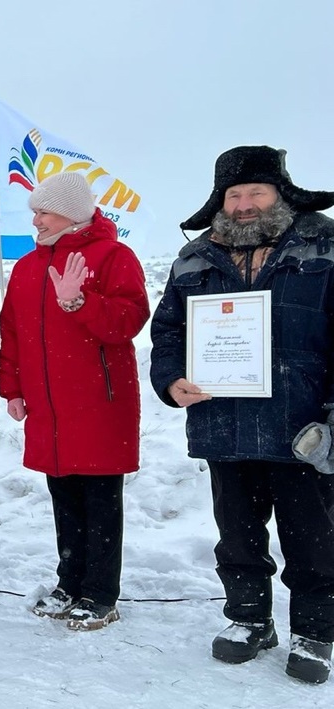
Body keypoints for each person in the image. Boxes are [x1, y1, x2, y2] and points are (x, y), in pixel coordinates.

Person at [150, 146, 334, 684]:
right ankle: (249, 619)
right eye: (235, 194)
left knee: (313, 535)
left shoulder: (323, 245)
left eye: (256, 191)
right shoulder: (195, 258)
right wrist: (170, 379)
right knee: (236, 534)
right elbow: (169, 332)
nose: (245, 203)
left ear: (281, 193)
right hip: (222, 421)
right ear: (220, 201)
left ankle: (315, 629)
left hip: (304, 424)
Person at [0, 172, 149, 631]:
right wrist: (14, 388)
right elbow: (14, 334)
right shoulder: (27, 267)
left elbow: (127, 321)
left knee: (101, 500)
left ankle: (100, 594)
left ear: (72, 212)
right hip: (48, 406)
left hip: (98, 405)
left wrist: (80, 300)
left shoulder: (114, 256)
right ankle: (70, 581)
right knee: (64, 497)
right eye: (35, 211)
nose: (36, 219)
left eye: (43, 211)